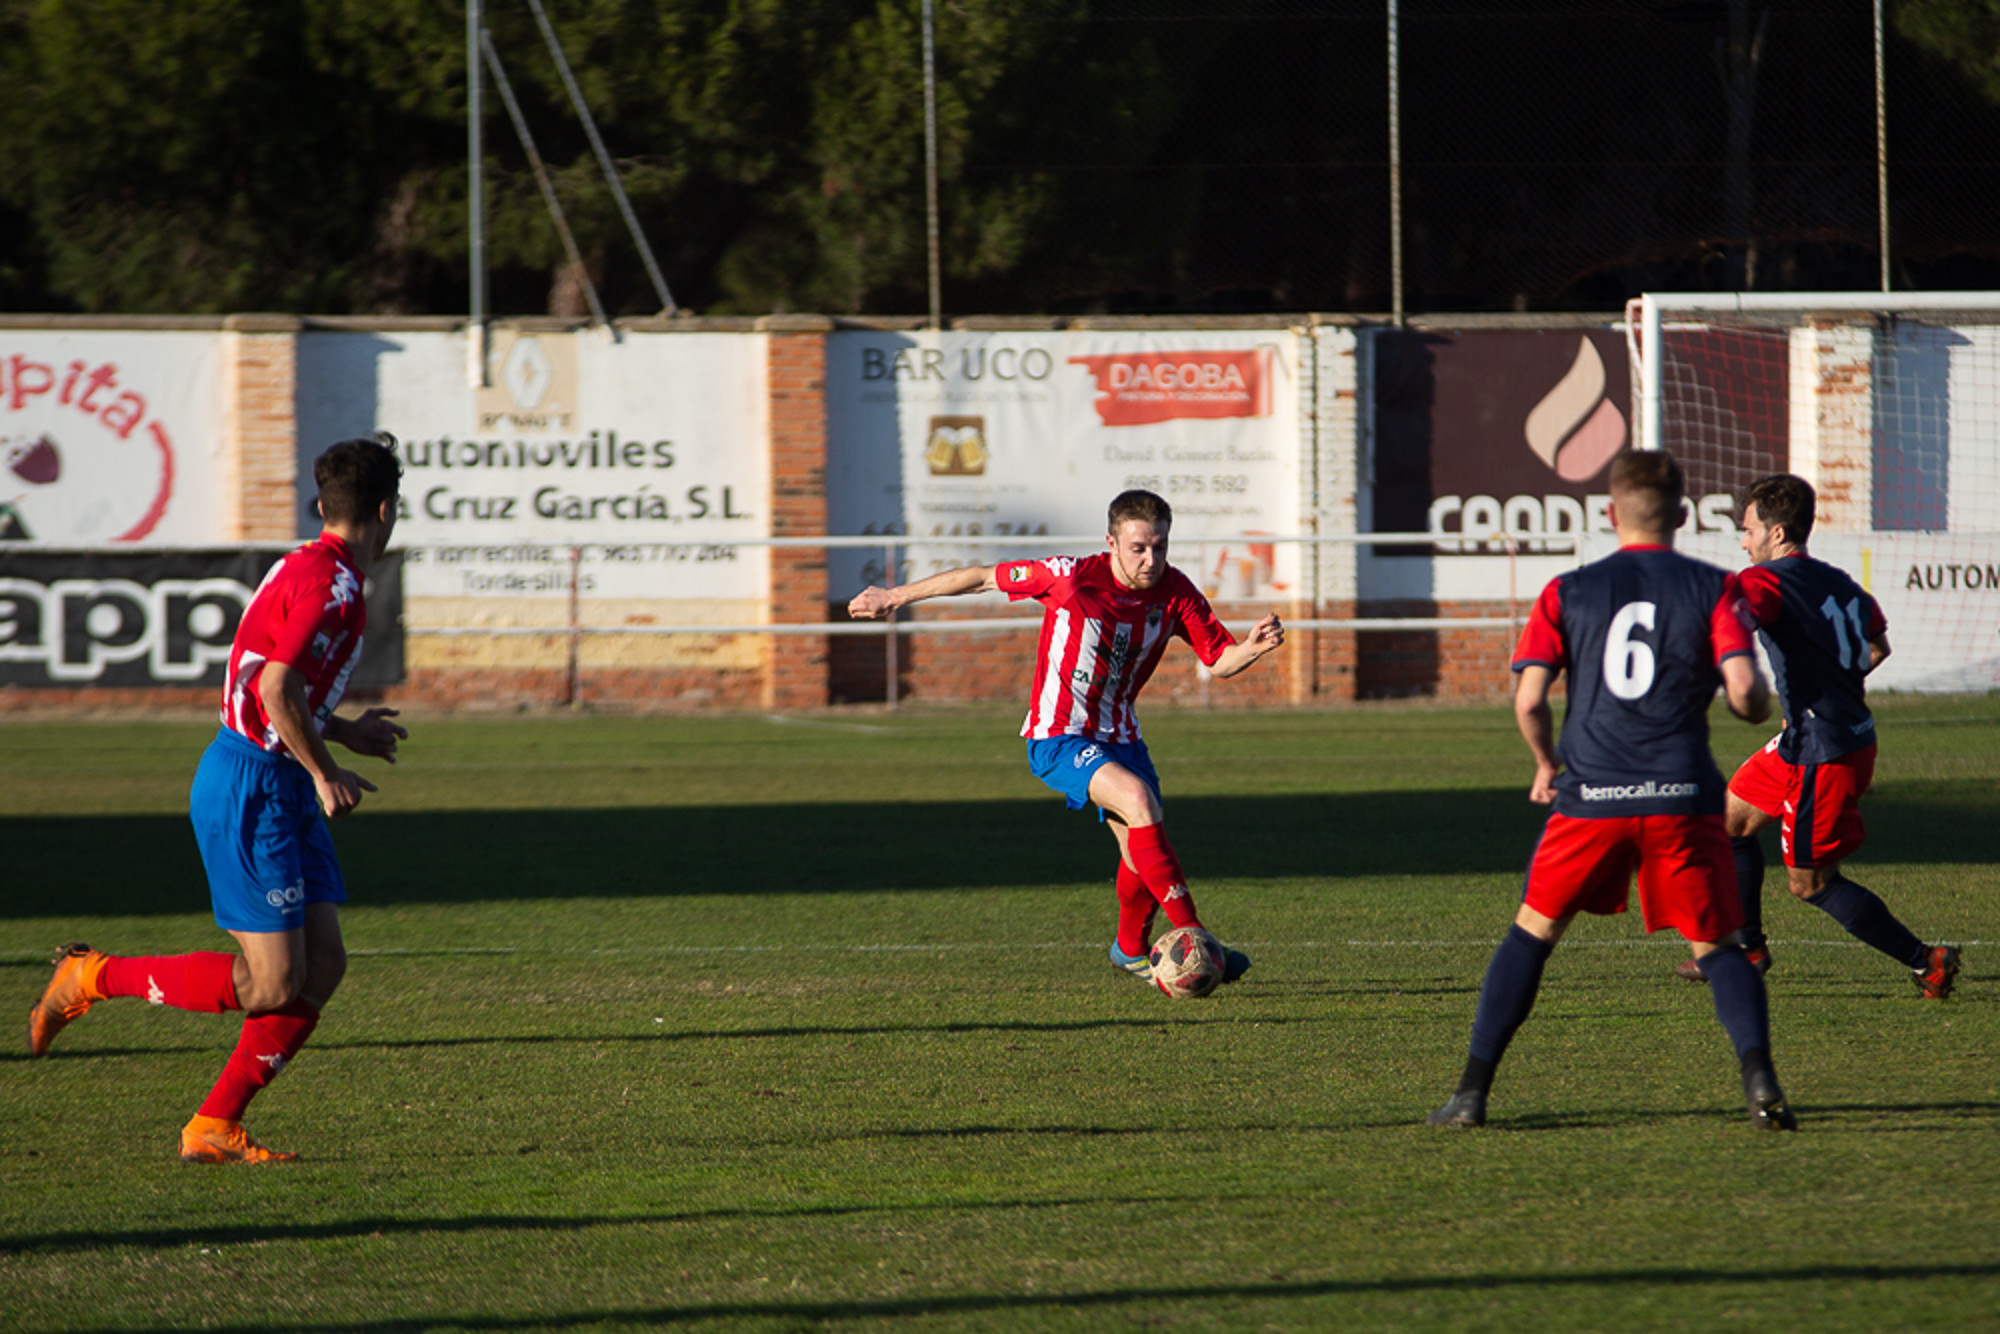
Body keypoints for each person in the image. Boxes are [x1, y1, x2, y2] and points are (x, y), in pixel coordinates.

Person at [27, 433, 408, 1163]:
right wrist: (326, 769)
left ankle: (212, 1127)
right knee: (273, 983)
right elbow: (273, 689)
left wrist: (344, 733)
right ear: (385, 511)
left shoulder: (306, 566)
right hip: (254, 784)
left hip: (277, 777)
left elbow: (279, 686)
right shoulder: (335, 586)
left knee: (322, 965)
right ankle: (92, 976)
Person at [1427, 450, 1797, 1131]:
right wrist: (1746, 706)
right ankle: (1761, 1085)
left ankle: (1471, 1095)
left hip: (1592, 797)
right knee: (1719, 944)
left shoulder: (1567, 590)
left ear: (1608, 513)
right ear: (1683, 516)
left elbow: (1530, 699)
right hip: (1682, 795)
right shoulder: (1716, 586)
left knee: (1532, 935)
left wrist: (1546, 763)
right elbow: (1746, 691)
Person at [847, 489, 1284, 983]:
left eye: (1160, 546)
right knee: (1140, 802)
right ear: (1112, 543)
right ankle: (1198, 941)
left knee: (1141, 850)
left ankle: (1129, 947)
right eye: (1139, 547)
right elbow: (980, 578)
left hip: (1122, 737)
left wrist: (1252, 648)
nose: (1151, 558)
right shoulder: (1070, 576)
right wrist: (893, 597)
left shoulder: (1177, 591)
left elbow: (1219, 659)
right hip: (1059, 735)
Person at [1672, 474, 1961, 998]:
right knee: (1730, 820)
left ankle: (1927, 961)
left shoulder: (1763, 582)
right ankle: (1748, 949)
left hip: (1821, 753)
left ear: (1777, 533)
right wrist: (1826, 694)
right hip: (1821, 737)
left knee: (1811, 883)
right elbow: (1878, 647)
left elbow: (1729, 622)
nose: (1743, 541)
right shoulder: (1841, 583)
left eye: (1748, 529)